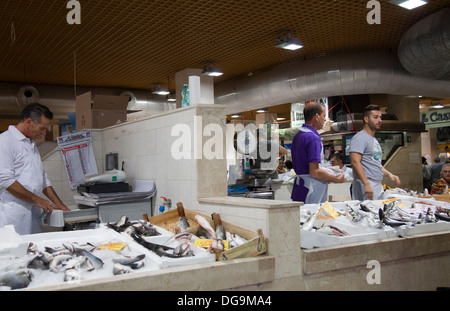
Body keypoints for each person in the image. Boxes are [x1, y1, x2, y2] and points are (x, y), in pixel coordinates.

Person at [0, 103, 70, 235]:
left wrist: (59, 204)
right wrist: (38, 200)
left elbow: (42, 177)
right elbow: (5, 180)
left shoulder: (31, 145)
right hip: (13, 216)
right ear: (28, 122)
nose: (43, 133)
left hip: (33, 213)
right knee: (16, 253)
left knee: (34, 251)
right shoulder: (5, 141)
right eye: (42, 128)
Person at [291, 102, 345, 203]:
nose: (325, 119)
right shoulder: (313, 138)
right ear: (316, 116)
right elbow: (314, 171)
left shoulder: (299, 135)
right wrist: (336, 179)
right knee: (313, 217)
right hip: (311, 190)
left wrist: (326, 173)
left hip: (300, 187)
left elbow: (306, 166)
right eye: (324, 116)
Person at [349, 104, 401, 200]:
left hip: (376, 184)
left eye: (380, 117)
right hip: (365, 184)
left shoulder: (373, 139)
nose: (379, 120)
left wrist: (390, 174)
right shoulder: (359, 138)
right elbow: (355, 161)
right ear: (366, 119)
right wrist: (366, 183)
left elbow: (375, 163)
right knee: (367, 213)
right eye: (375, 117)